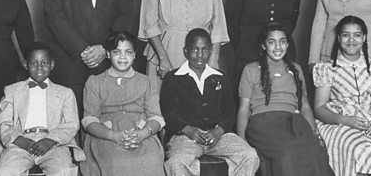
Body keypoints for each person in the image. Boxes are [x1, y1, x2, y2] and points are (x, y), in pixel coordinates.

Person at [237, 23, 334, 176]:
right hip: (263, 122)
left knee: (315, 151)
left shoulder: (296, 69)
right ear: (263, 45)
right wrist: (241, 140)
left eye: (282, 41)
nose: (278, 47)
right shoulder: (251, 69)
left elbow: (305, 106)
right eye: (271, 42)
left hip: (294, 121)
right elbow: (243, 110)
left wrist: (314, 133)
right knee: (287, 152)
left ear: (288, 44)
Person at [160, 28, 259, 176]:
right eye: (195, 50)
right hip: (185, 138)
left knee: (250, 155)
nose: (200, 55)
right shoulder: (172, 78)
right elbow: (168, 113)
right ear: (185, 51)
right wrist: (187, 129)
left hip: (218, 137)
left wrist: (218, 131)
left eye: (205, 50)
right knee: (176, 163)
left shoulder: (220, 77)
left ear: (211, 50)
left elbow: (229, 112)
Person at [313, 16, 371, 176]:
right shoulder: (327, 69)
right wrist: (345, 120)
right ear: (338, 38)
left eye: (357, 35)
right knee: (360, 148)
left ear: (364, 37)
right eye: (345, 35)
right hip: (338, 122)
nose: (351, 40)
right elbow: (319, 108)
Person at [80, 31, 165, 176]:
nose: (123, 57)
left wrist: (143, 133)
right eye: (117, 52)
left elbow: (156, 117)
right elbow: (90, 120)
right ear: (108, 54)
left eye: (128, 52)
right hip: (106, 135)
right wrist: (113, 136)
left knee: (151, 158)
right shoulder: (95, 82)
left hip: (140, 132)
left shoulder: (146, 82)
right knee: (115, 160)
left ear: (134, 55)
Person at [0, 42, 84, 176]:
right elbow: (3, 124)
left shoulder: (65, 93)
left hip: (54, 144)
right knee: (4, 172)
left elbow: (71, 124)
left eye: (44, 63)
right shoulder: (12, 91)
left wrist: (49, 140)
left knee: (64, 171)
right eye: (33, 63)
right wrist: (21, 141)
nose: (39, 68)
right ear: (25, 65)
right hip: (20, 143)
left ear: (52, 65)